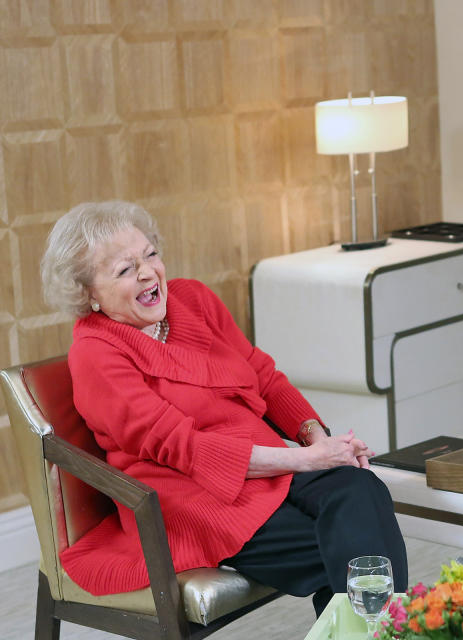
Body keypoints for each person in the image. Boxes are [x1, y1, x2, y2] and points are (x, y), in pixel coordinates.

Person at [40, 200, 408, 615]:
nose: (147, 272)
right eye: (124, 270)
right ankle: (391, 628)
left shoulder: (192, 300)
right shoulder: (96, 353)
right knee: (348, 544)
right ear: (88, 293)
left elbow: (264, 377)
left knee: (360, 490)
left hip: (273, 469)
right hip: (192, 500)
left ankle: (375, 629)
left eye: (150, 255)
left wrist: (322, 444)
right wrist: (308, 460)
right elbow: (186, 449)